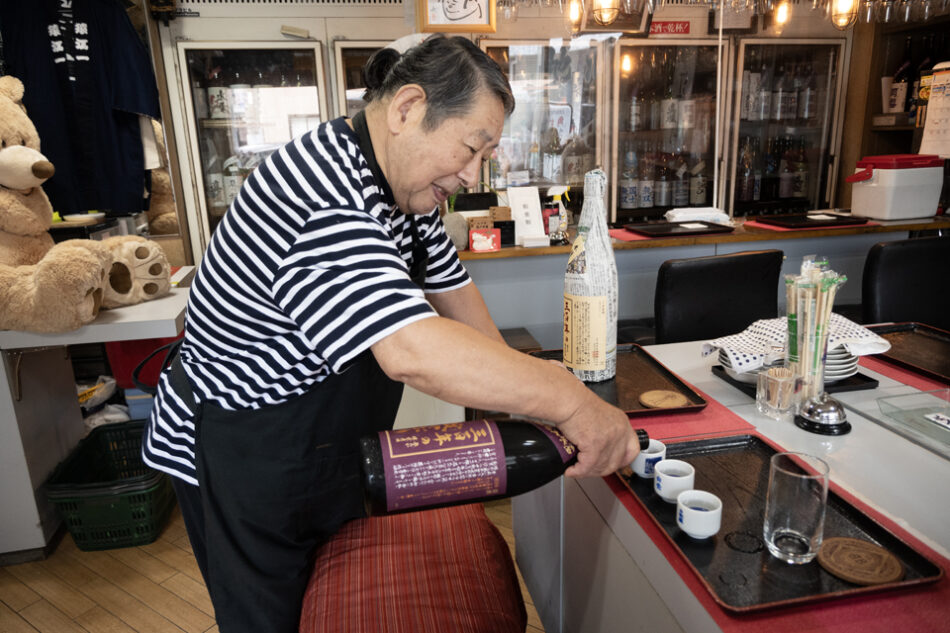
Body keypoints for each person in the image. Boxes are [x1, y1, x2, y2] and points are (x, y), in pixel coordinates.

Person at [142, 34, 640, 633]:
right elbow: (410, 349)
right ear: (407, 109)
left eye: (486, 156)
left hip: (321, 439)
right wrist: (571, 400)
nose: (471, 173)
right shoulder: (323, 189)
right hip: (248, 445)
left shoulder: (409, 196)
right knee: (267, 619)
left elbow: (458, 300)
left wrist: (530, 400)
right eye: (471, 148)